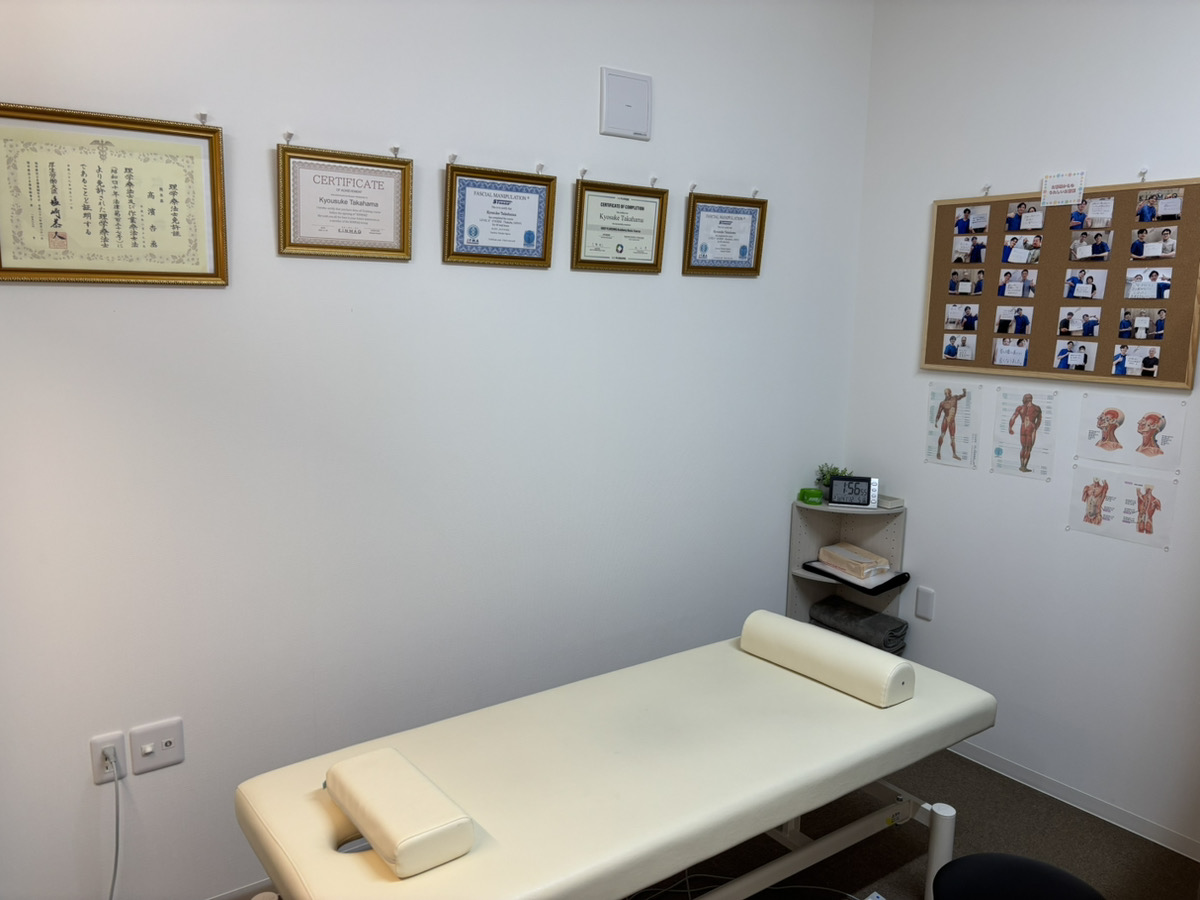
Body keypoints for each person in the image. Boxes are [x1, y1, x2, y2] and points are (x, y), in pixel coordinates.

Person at [1008, 393, 1042, 473]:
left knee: (1023, 448)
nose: (1022, 400)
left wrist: (1010, 428)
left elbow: (1013, 418)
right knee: (1028, 449)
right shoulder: (1037, 408)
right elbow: (1039, 420)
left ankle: (1022, 466)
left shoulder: (1020, 408)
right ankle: (1024, 467)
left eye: (1023, 398)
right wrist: (1035, 428)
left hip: (1023, 427)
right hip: (1031, 427)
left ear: (1026, 399)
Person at [935, 387, 968, 461]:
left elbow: (962, 396)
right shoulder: (943, 403)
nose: (947, 395)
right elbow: (939, 413)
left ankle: (954, 454)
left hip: (952, 421)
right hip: (946, 420)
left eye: (948, 393)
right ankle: (938, 452)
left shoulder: (954, 398)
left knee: (952, 438)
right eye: (946, 393)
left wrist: (964, 392)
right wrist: (936, 421)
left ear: (950, 393)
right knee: (942, 435)